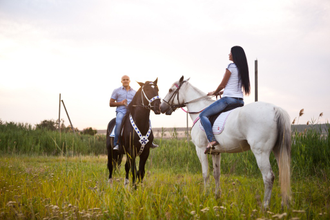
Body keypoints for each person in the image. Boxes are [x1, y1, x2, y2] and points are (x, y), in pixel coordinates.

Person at [200, 46, 250, 154]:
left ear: (234, 55)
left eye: (230, 53)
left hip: (228, 100)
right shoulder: (242, 68)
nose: (229, 54)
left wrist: (214, 92)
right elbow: (232, 87)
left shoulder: (231, 66)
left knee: (203, 115)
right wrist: (221, 92)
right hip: (240, 101)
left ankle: (212, 140)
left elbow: (223, 84)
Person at [110, 75, 159, 150]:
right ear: (121, 81)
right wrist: (121, 103)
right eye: (124, 79)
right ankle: (117, 143)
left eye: (127, 79)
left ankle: (150, 141)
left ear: (129, 81)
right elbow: (111, 103)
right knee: (119, 121)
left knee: (147, 120)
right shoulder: (116, 91)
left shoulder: (134, 92)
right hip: (121, 111)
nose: (125, 81)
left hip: (132, 111)